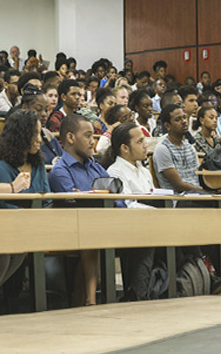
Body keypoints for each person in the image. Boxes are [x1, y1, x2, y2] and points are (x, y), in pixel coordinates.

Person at [48, 113, 107, 306]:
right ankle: (90, 300)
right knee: (90, 231)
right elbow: (71, 203)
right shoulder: (61, 170)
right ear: (71, 138)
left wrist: (89, 195)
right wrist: (96, 196)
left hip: (98, 223)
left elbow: (116, 195)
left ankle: (82, 300)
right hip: (70, 228)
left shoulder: (95, 167)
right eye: (88, 136)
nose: (93, 141)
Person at [103, 123, 158, 300]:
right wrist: (157, 212)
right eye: (140, 141)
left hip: (149, 222)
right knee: (148, 239)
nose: (145, 145)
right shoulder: (115, 171)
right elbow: (127, 205)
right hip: (125, 228)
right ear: (125, 148)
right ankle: (137, 296)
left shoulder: (144, 171)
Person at [152, 104, 204, 193]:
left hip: (196, 195)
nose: (184, 121)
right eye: (178, 119)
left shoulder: (189, 147)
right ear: (167, 126)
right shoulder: (163, 149)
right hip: (179, 199)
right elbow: (179, 185)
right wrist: (205, 193)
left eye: (184, 117)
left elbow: (198, 177)